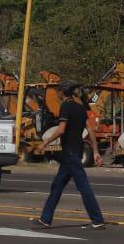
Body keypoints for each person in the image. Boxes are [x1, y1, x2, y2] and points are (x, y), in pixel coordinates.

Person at [32, 84, 106, 231]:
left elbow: (61, 129)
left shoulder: (65, 106)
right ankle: (45, 219)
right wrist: (96, 151)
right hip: (73, 154)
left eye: (58, 93)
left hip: (70, 154)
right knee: (57, 186)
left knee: (83, 186)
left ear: (61, 93)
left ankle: (97, 220)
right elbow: (90, 130)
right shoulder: (80, 108)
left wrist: (44, 143)